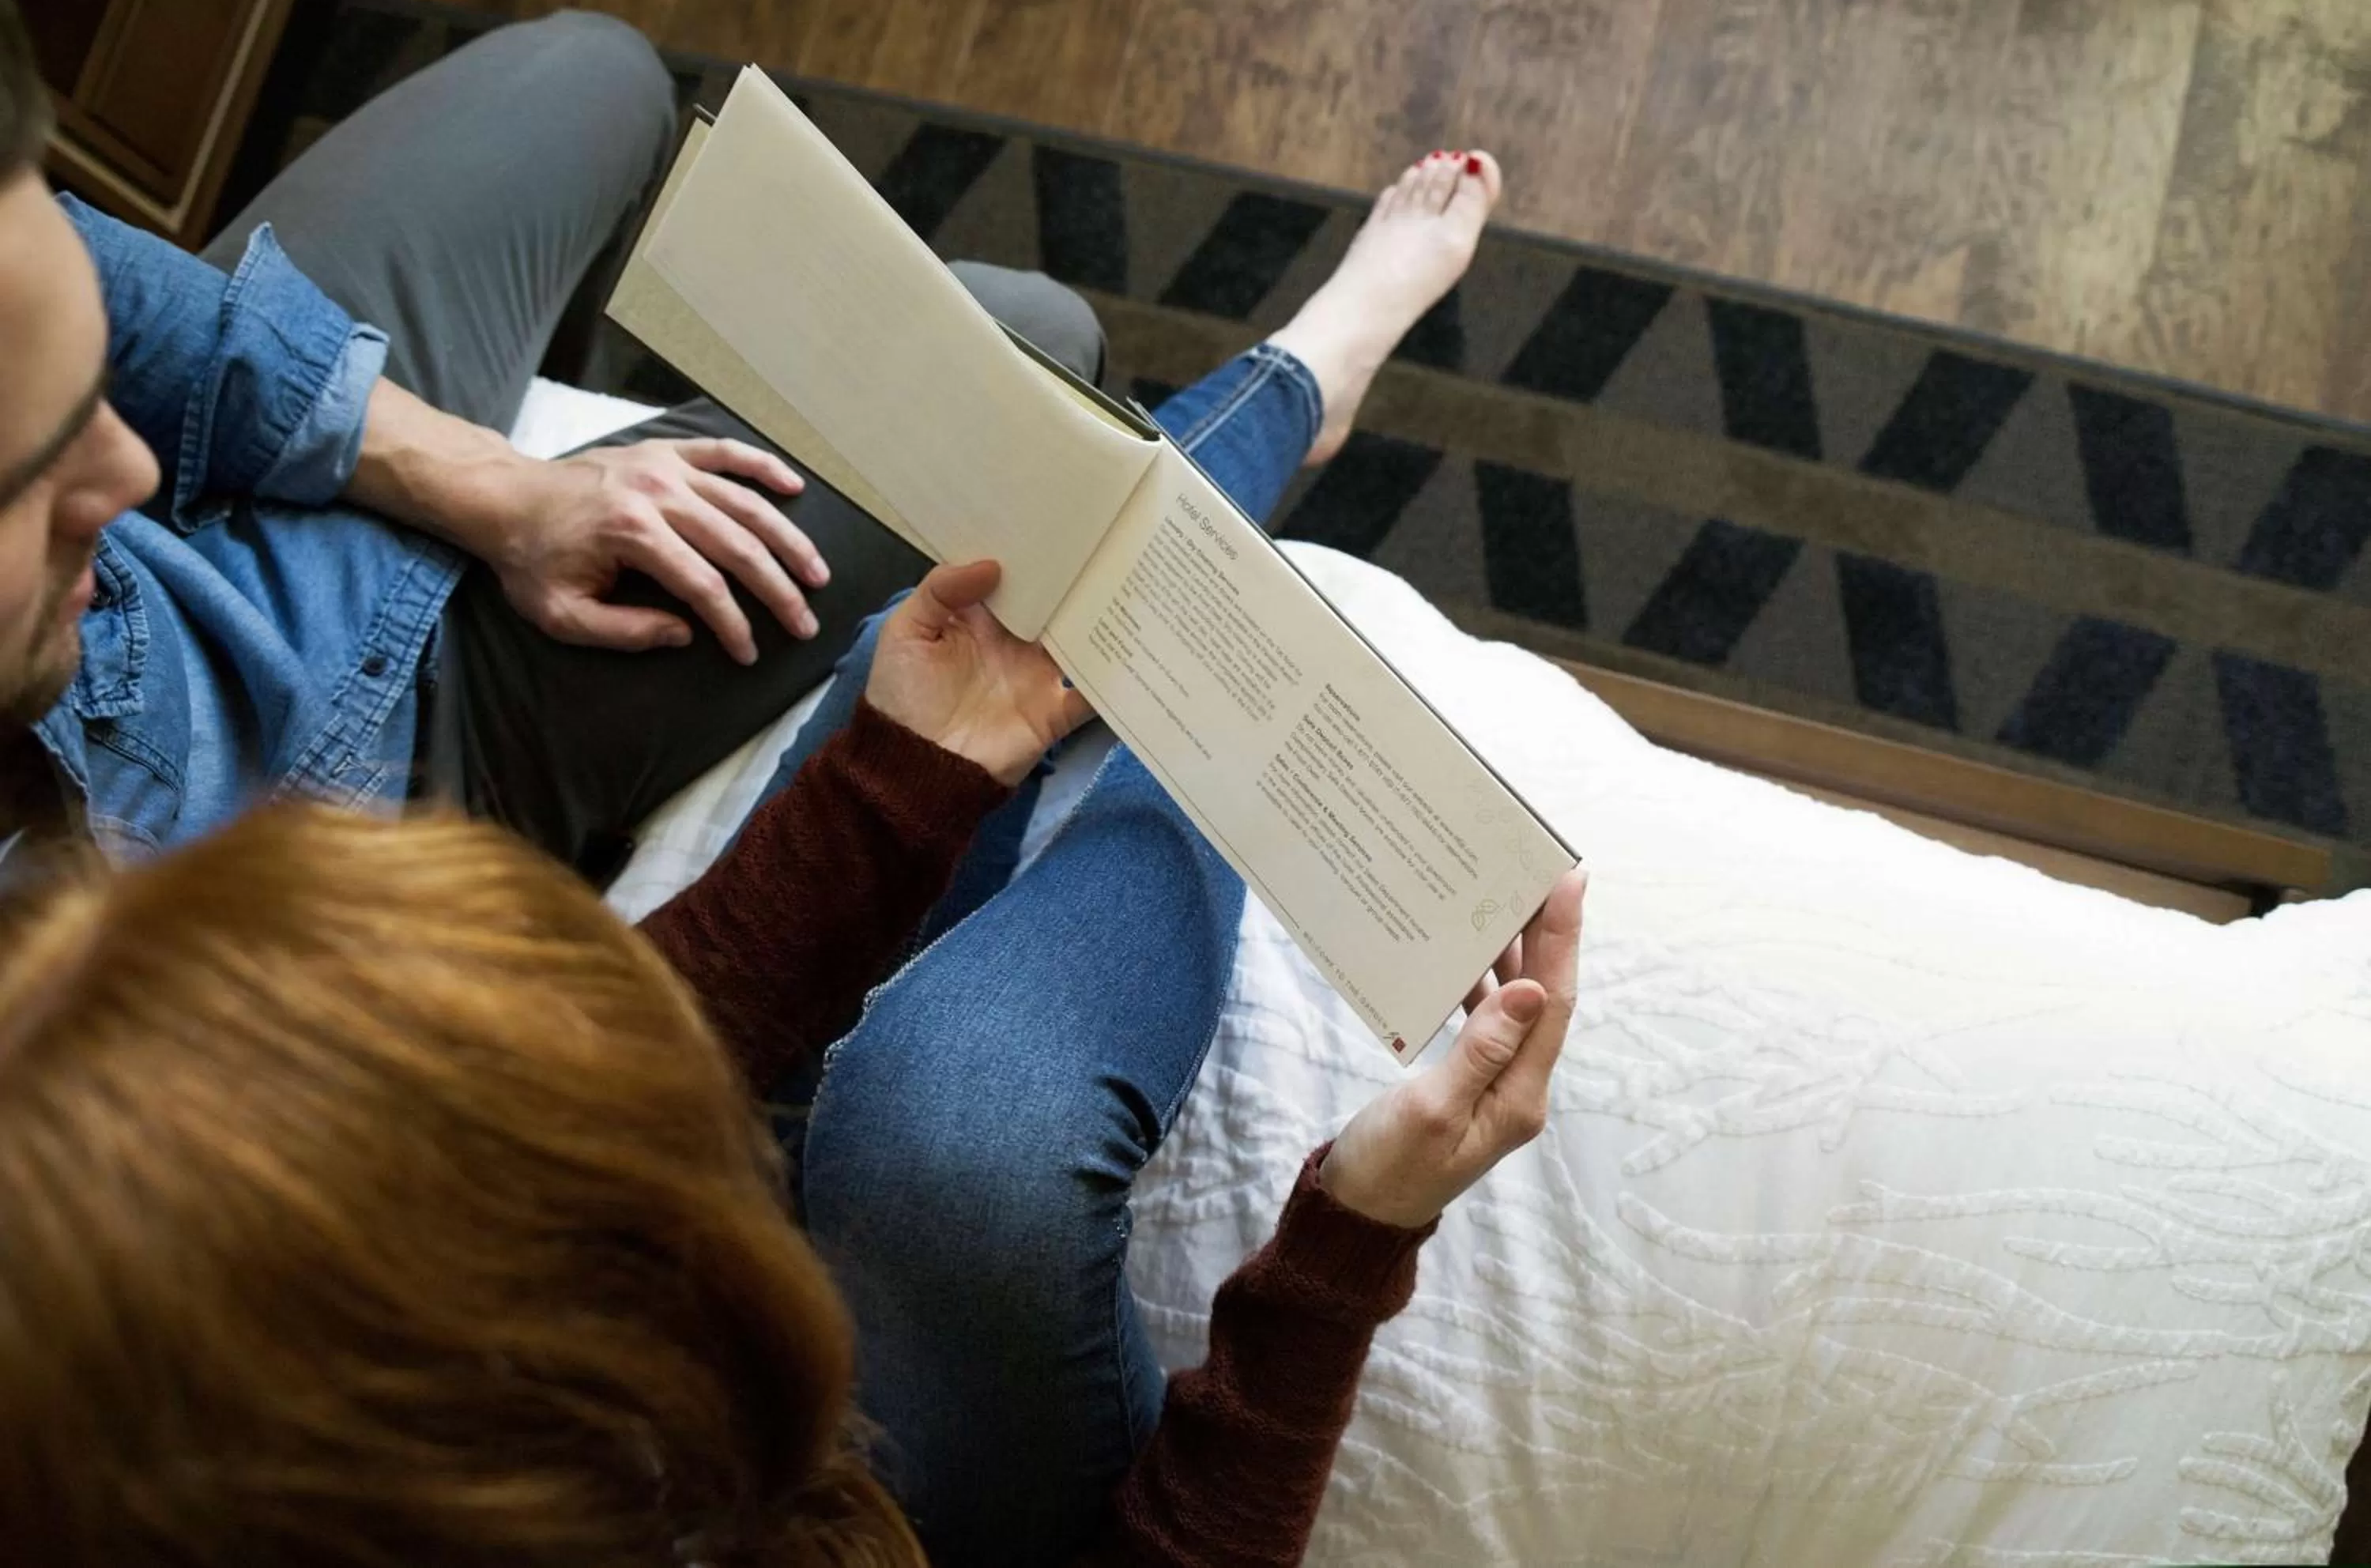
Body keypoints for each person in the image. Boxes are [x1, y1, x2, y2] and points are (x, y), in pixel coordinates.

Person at [0, 147, 1587, 1567]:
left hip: (674, 1289)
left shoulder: (251, 1248)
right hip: (853, 1442)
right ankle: (1287, 451)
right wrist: (1351, 1239)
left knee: (1018, 625)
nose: (127, 476)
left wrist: (893, 788)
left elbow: (563, 1110)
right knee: (951, 1124)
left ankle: (1297, 388)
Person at [0, 0, 1101, 877]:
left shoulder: (117, 480)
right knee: (1028, 355)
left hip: (245, 474)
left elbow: (83, 260)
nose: (123, 460)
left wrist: (501, 490)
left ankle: (536, 395)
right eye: (34, 468)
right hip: (379, 752)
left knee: (598, 71)